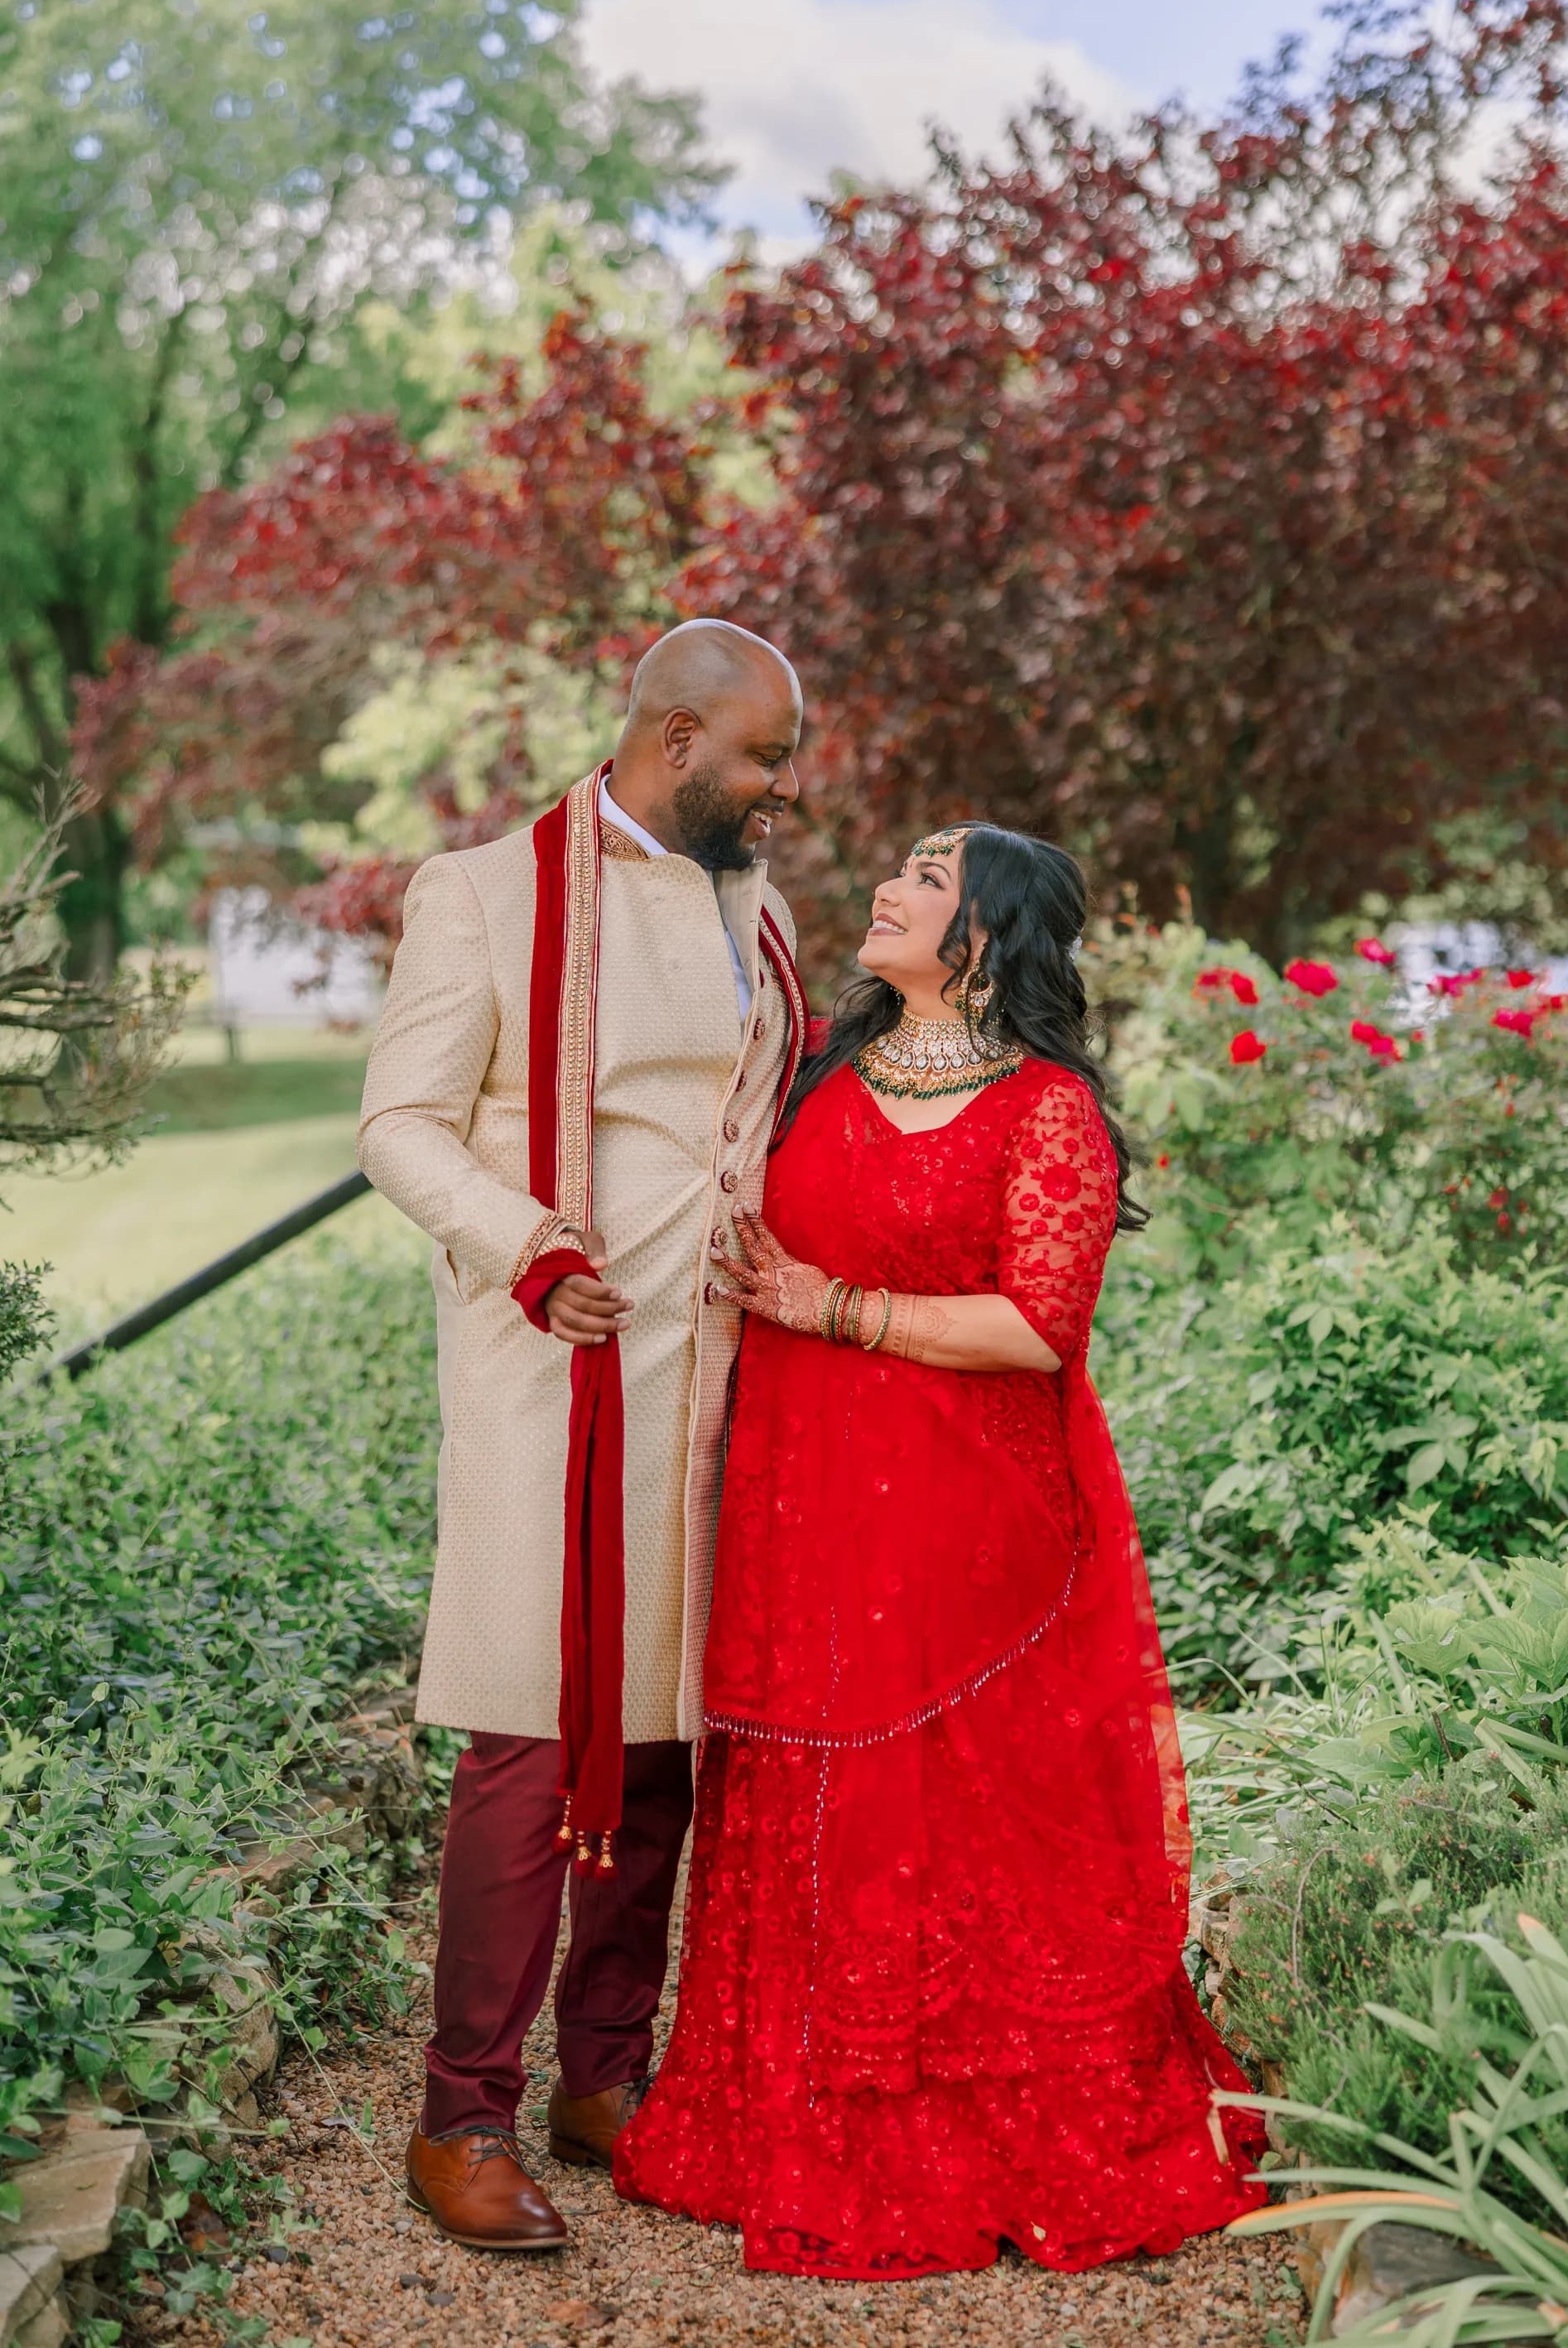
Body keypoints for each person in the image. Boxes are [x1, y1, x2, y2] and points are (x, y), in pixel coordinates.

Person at [614, 822, 1261, 2278]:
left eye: (923, 877)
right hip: (806, 1504)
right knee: (816, 1775)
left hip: (977, 1523)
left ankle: (989, 2119)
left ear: (987, 934)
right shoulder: (819, 1079)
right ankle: (783, 2105)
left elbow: (1039, 1326)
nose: (889, 888)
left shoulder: (1049, 1111)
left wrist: (827, 1307)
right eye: (896, 866)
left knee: (961, 1796)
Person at [356, 619, 806, 2250]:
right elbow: (398, 1124)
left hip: (723, 1372)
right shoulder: (481, 892)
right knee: (534, 1738)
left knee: (670, 1737)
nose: (782, 793)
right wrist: (524, 1242)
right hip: (552, 1360)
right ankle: (461, 2110)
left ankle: (604, 2077)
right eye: (761, 758)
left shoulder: (752, 901)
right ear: (674, 738)